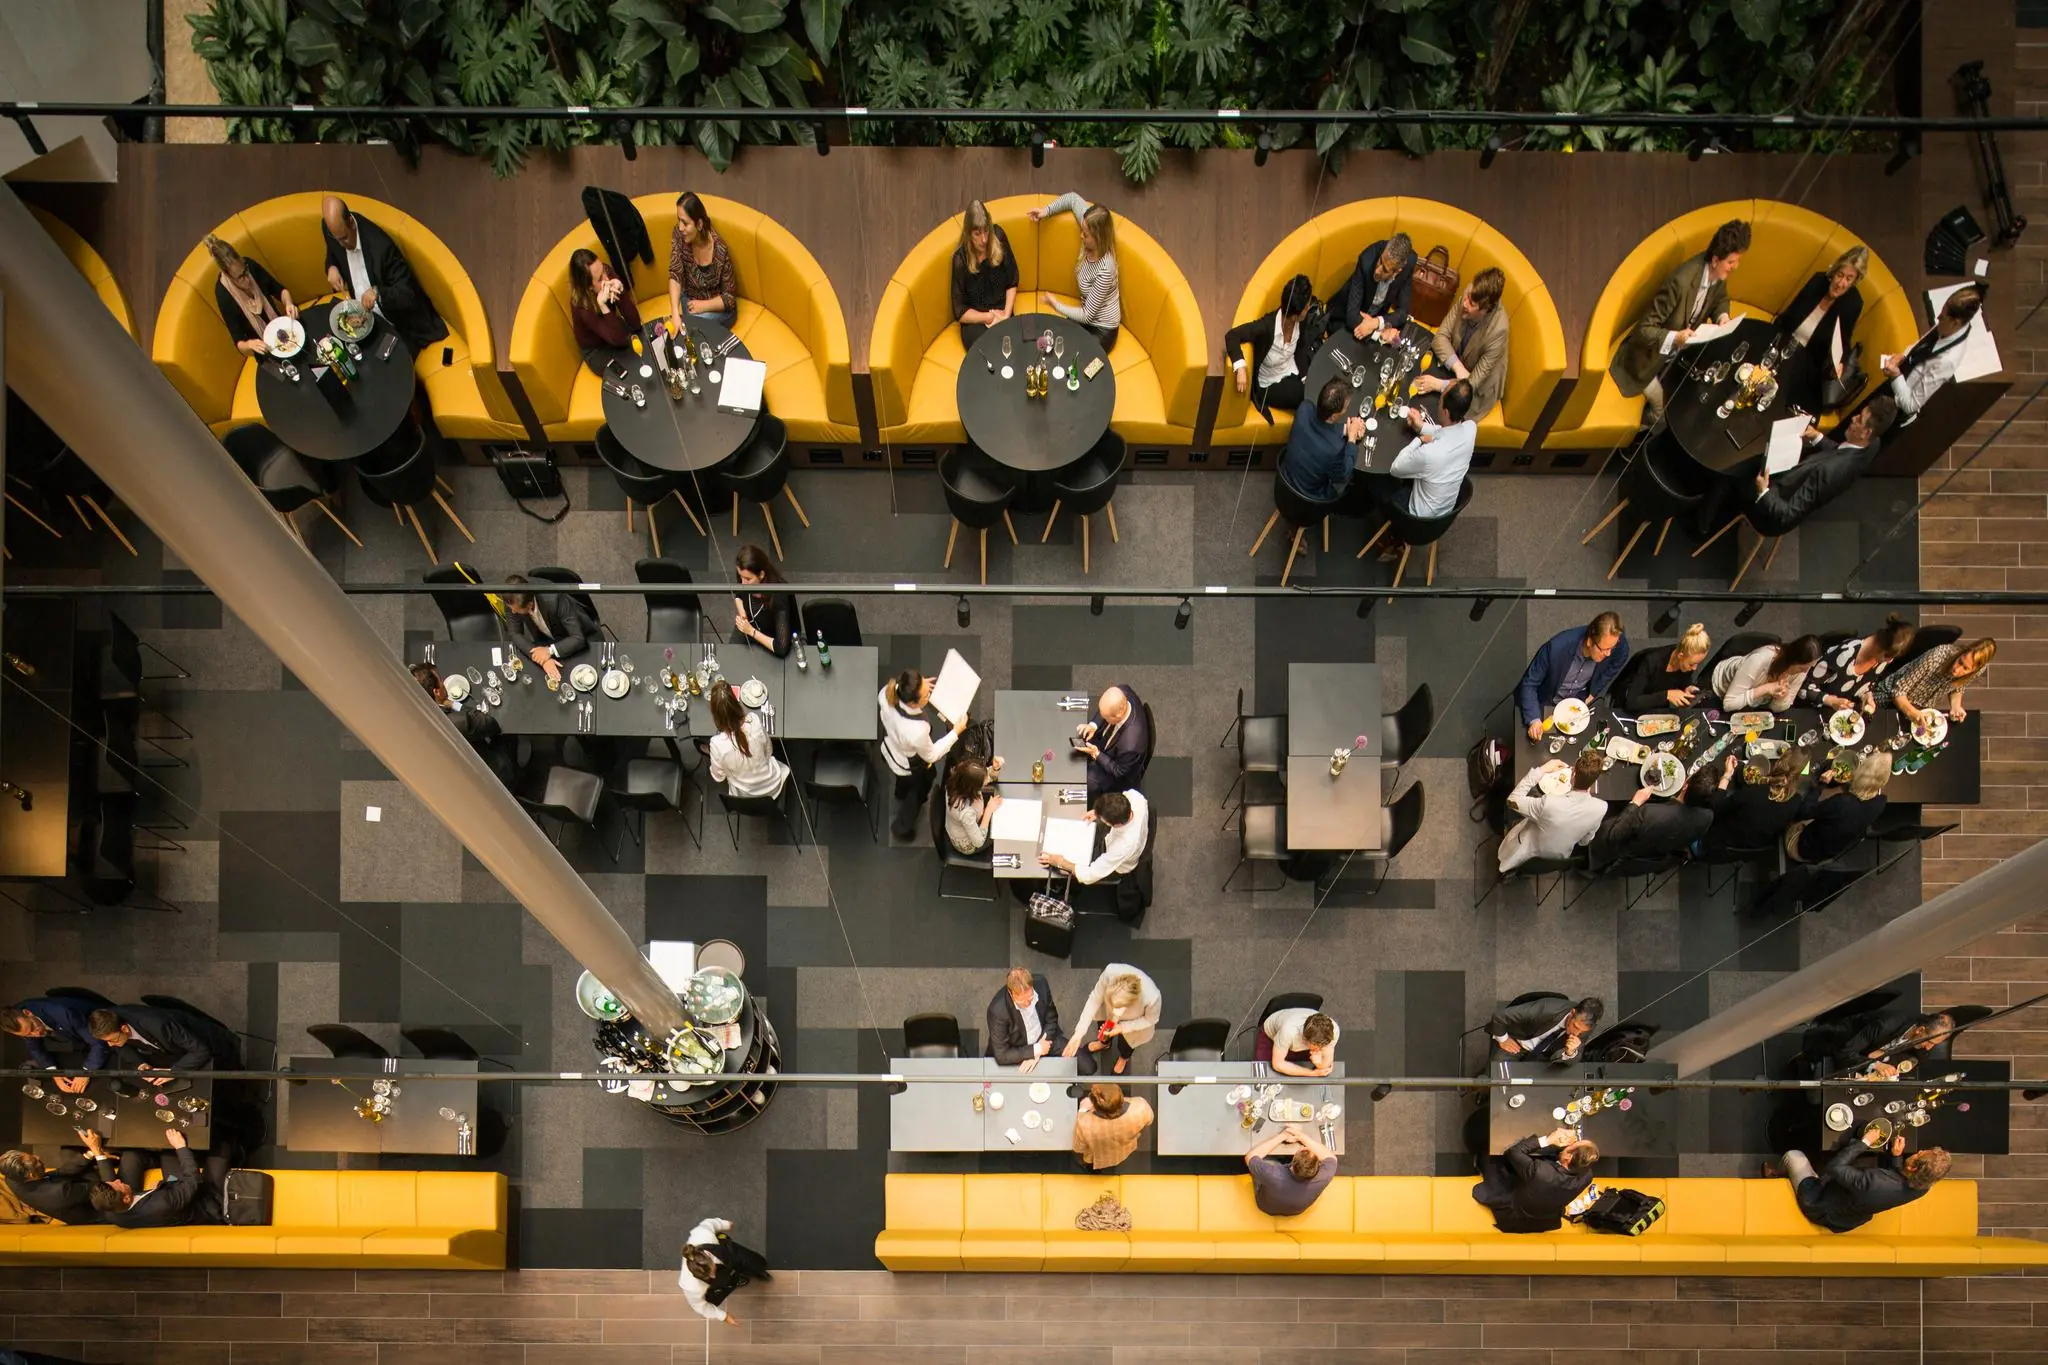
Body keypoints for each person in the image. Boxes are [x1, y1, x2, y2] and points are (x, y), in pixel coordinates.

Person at [1613, 218, 1750, 425]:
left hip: (1677, 357)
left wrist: (1723, 317)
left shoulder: (1716, 275)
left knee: (1691, 398)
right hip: (1645, 361)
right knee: (1663, 416)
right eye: (1731, 262)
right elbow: (1643, 331)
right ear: (1715, 260)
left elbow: (1720, 298)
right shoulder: (1680, 282)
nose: (1736, 267)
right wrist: (1675, 337)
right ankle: (1643, 433)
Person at [1746, 398, 1898, 537]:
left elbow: (1788, 515)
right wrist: (1818, 437)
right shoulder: (1873, 444)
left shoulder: (1830, 472)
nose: (1853, 418)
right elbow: (1842, 451)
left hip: (1769, 514)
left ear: (1866, 433)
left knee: (1739, 476)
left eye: (1859, 419)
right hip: (1792, 481)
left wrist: (1763, 492)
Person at [321, 196, 447, 352]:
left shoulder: (381, 248)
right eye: (337, 239)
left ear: (351, 223)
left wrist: (378, 293)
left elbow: (408, 294)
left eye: (344, 238)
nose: (341, 245)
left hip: (395, 323)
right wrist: (331, 266)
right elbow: (332, 251)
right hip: (361, 319)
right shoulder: (332, 231)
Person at [1777, 1130, 1949, 1233]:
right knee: (1850, 1164)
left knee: (1794, 1155)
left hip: (1819, 1204)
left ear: (1913, 1168)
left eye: (1919, 1155)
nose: (1917, 1151)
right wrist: (1896, 1157)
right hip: (1849, 1218)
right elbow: (1901, 1179)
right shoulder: (1923, 1187)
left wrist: (1865, 1141)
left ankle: (1777, 1173)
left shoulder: (1873, 1182)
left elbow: (1834, 1167)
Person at [1773, 245, 1867, 413]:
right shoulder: (1817, 281)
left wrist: (1840, 363)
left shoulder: (1853, 304)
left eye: (1849, 279)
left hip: (1806, 365)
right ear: (1834, 272)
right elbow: (1789, 314)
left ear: (1855, 281)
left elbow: (1844, 339)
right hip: (1783, 346)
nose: (1841, 283)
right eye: (1840, 275)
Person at [1367, 378, 1476, 521]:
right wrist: (1421, 427)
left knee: (1375, 481)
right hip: (1446, 509)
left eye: (1441, 399)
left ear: (1446, 412)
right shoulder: (1471, 428)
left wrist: (1419, 440)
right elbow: (1445, 433)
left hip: (1418, 519)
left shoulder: (1430, 454)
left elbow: (1396, 468)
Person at [879, 669, 967, 839]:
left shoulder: (886, 693)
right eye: (926, 695)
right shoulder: (916, 730)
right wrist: (956, 732)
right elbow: (932, 755)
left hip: (891, 749)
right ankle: (902, 827)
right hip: (909, 765)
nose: (930, 694)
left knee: (903, 784)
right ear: (913, 703)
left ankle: (900, 792)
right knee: (917, 793)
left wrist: (919, 685)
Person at [1414, 267, 1509, 424]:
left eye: (1471, 303)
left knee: (1437, 417)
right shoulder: (1470, 293)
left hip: (1477, 390)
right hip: (1458, 367)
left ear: (1486, 310)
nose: (1464, 303)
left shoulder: (1499, 331)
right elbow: (1440, 338)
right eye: (1466, 298)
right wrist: (1458, 367)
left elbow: (1471, 384)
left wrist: (1439, 385)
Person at [1515, 613, 1630, 739]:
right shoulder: (1556, 648)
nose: (1608, 654)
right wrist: (1534, 720)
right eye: (1604, 649)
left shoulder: (1615, 643)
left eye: (1611, 648)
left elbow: (1621, 656)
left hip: (1578, 700)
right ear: (1589, 641)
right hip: (1548, 700)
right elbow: (1530, 684)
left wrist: (1594, 690)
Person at [1028, 192, 1120, 347]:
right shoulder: (1088, 226)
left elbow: (1087, 316)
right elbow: (1072, 198)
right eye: (1081, 230)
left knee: (1076, 359)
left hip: (1103, 328)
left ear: (1099, 237)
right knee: (1052, 341)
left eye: (1086, 234)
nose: (1081, 236)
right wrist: (1046, 211)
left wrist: (1055, 304)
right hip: (1084, 316)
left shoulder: (1105, 269)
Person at [1225, 274, 1316, 422]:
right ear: (1295, 315)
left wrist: (1305, 376)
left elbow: (1300, 349)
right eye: (1306, 308)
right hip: (1269, 383)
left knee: (1318, 384)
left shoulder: (1301, 322)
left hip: (1291, 369)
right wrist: (1240, 367)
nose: (1309, 308)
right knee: (1308, 396)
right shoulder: (1266, 327)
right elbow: (1232, 336)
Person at [1471, 1128, 1601, 1233]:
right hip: (1545, 1221)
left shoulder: (1541, 1172)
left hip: (1516, 1217)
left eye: (1572, 1145)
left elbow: (1514, 1152)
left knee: (1490, 1153)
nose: (1570, 1144)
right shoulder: (1587, 1177)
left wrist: (1548, 1140)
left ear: (1568, 1157)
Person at [1498, 750, 1607, 873]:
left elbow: (1512, 801)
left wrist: (1542, 770)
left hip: (1527, 855)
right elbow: (1584, 842)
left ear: (1574, 775)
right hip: (1557, 861)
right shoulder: (1601, 807)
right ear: (1593, 782)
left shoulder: (1548, 803)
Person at [1883, 286, 1982, 420]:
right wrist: (1905, 355)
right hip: (1894, 383)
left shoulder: (1948, 360)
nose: (1938, 317)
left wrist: (1896, 376)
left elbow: (1911, 405)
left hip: (1894, 410)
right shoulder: (1947, 326)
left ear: (1955, 323)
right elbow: (1921, 344)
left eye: (1943, 317)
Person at [1587, 768, 1716, 871]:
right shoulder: (1708, 818)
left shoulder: (1650, 813)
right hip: (1653, 858)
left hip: (1623, 851)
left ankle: (1590, 862)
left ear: (1685, 786)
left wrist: (1635, 803)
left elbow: (1614, 835)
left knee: (1604, 813)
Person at [90, 1128, 221, 1228]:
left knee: (167, 1153)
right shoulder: (162, 1203)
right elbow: (192, 1180)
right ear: (126, 1198)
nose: (118, 1180)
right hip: (200, 1197)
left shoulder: (112, 1212)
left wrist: (97, 1152)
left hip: (170, 1187)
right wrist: (180, 1147)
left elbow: (111, 1187)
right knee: (219, 1147)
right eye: (118, 1184)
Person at [411, 664, 515, 787]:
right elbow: (491, 723)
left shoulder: (415, 718)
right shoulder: (459, 722)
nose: (444, 682)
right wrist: (453, 704)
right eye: (441, 681)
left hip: (453, 773)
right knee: (510, 735)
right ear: (437, 692)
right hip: (492, 774)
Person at [1785, 750, 1891, 864]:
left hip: (1802, 849)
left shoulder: (1843, 803)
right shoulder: (1881, 802)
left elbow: (1802, 813)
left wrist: (1820, 785)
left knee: (1792, 808)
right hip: (1832, 852)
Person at [1699, 750, 1811, 857]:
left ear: (1778, 763)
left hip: (1718, 841)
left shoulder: (1755, 792)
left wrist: (1727, 775)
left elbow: (1714, 809)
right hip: (1749, 849)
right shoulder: (1797, 801)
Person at [1796, 615, 1916, 712]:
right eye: (1888, 656)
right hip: (1817, 709)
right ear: (1879, 644)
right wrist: (1831, 701)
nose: (1889, 661)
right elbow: (1804, 688)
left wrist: (1867, 696)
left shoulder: (1882, 659)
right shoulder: (1844, 656)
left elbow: (1866, 685)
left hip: (1844, 711)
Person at [1063, 963, 1162, 1077]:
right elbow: (1095, 999)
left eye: (1119, 1008)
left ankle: (1123, 1058)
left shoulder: (1152, 998)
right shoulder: (1110, 973)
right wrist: (1079, 1033)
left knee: (1127, 1044)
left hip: (1134, 1023)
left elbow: (1150, 1020)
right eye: (1111, 1003)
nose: (1115, 1012)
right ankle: (1104, 1044)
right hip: (1107, 1013)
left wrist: (1122, 1027)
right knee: (1104, 1029)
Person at [1279, 377, 1368, 502]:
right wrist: (1352, 438)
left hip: (1283, 484)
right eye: (1346, 407)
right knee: (1347, 482)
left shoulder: (1304, 408)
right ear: (1334, 415)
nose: (1347, 409)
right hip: (1308, 503)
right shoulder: (1336, 449)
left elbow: (1322, 428)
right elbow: (1343, 475)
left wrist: (1345, 429)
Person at [206, 235, 298, 357]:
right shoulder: (223, 294)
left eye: (245, 271)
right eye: (240, 277)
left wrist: (288, 303)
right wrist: (249, 344)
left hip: (283, 330)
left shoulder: (250, 266)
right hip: (263, 350)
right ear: (228, 276)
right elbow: (238, 341)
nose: (247, 279)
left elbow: (280, 290)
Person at [1875, 636, 1995, 727]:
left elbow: (1958, 686)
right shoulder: (1936, 657)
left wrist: (1956, 706)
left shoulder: (1978, 670)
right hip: (1890, 697)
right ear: (1961, 653)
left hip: (1923, 706)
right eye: (1960, 662)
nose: (1957, 669)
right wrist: (1912, 713)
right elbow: (1897, 692)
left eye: (1965, 669)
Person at [87, 1005, 234, 1079]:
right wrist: (140, 1064)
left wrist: (173, 1072)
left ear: (124, 1029)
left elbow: (201, 1050)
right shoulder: (111, 1020)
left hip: (207, 1040)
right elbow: (120, 1046)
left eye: (112, 1040)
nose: (110, 1045)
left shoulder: (159, 1026)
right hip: (173, 1049)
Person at [1039, 788, 1149, 887]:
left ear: (1114, 824)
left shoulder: (1123, 846)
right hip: (1111, 838)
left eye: (1103, 819)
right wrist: (1097, 812)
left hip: (1117, 866)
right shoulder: (1135, 797)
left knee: (1063, 868)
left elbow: (1089, 875)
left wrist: (1060, 861)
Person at [502, 575, 601, 684]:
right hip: (547, 637)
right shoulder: (511, 598)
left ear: (530, 605)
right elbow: (515, 633)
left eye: (516, 611)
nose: (513, 613)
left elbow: (578, 638)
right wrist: (542, 658)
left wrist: (549, 651)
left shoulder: (554, 599)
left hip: (578, 636)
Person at [678, 1215, 772, 1325]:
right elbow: (700, 1307)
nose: (713, 1276)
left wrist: (724, 1224)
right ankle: (737, 1280)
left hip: (729, 1254)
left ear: (708, 1256)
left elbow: (709, 1223)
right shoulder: (690, 1287)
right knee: (726, 1282)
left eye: (712, 1271)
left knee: (757, 1262)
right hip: (723, 1279)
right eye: (708, 1277)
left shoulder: (702, 1235)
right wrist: (724, 1316)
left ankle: (758, 1270)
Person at [2, 997, 110, 1090]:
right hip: (73, 1035)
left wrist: (86, 1072)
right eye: (27, 1035)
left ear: (28, 1013)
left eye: (32, 1028)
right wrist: (53, 1073)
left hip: (102, 1022)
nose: (36, 1034)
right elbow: (35, 1049)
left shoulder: (63, 1014)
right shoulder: (18, 1016)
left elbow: (98, 1042)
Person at [706, 679, 789, 800]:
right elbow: (769, 751)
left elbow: (718, 777)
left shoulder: (716, 744)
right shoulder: (754, 720)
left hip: (745, 796)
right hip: (772, 787)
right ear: (737, 705)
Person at [667, 192, 738, 330]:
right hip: (690, 299)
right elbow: (675, 272)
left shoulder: (720, 251)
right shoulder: (679, 234)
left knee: (691, 326)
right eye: (679, 220)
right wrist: (675, 312)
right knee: (684, 324)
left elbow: (729, 299)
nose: (680, 227)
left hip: (716, 308)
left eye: (685, 223)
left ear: (699, 224)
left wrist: (702, 306)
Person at [1327, 233, 1416, 344]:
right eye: (1380, 261)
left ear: (1397, 271)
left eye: (1385, 269)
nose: (1377, 270)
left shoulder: (1409, 263)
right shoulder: (1366, 260)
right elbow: (1351, 316)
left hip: (1374, 323)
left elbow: (1403, 313)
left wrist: (1376, 322)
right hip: (1345, 320)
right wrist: (1380, 335)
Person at [1, 1139, 113, 1224]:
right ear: (32, 1175)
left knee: (68, 1149)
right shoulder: (59, 1193)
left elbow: (59, 1173)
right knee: (130, 1155)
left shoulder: (12, 1178)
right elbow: (107, 1186)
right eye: (35, 1161)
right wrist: (99, 1155)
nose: (37, 1156)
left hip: (71, 1188)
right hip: (106, 1203)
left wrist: (90, 1154)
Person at [951, 199, 1018, 344]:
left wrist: (1006, 314)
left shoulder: (998, 236)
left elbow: (1012, 280)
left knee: (1012, 347)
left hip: (1001, 310)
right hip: (976, 320)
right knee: (987, 352)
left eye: (986, 230)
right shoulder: (960, 260)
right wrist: (987, 317)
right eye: (977, 234)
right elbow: (960, 311)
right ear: (968, 234)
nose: (984, 239)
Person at [1244, 1123, 1338, 1217]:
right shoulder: (1324, 1175)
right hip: (1296, 1212)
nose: (1306, 1147)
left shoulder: (1272, 1174)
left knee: (1268, 1161)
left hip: (1266, 1206)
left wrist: (1283, 1135)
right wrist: (1301, 1136)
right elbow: (1330, 1157)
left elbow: (1250, 1157)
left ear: (1293, 1161)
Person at [1713, 635, 1822, 714]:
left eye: (1810, 666)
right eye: (1803, 667)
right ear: (1793, 660)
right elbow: (1729, 704)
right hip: (1720, 689)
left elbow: (1777, 708)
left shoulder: (1801, 671)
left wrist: (1782, 697)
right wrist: (1766, 688)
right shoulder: (1758, 660)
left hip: (1752, 703)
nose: (1805, 672)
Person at [1075, 684, 1150, 798]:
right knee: (1082, 738)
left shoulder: (1131, 745)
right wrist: (1093, 725)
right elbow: (1104, 712)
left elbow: (1119, 771)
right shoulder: (1123, 691)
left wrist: (1096, 754)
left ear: (1119, 714)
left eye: (1106, 718)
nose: (1103, 718)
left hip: (1118, 772)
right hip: (1108, 742)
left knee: (1088, 781)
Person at [986, 967, 1065, 1072]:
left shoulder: (1041, 983)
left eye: (1030, 998)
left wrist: (1043, 1043)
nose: (1027, 1004)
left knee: (1087, 1066)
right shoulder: (997, 1010)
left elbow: (1052, 1018)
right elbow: (1002, 1055)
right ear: (1010, 993)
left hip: (1045, 1039)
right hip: (1017, 1051)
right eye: (1021, 1001)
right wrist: (1036, 1050)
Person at [1619, 622, 1711, 712]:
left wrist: (1687, 687)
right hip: (1638, 709)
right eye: (1692, 664)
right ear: (1680, 655)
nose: (1695, 668)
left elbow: (1682, 680)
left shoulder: (1686, 662)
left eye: (1697, 663)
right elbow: (1631, 702)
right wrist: (1666, 695)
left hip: (1659, 709)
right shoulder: (1651, 662)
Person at [568, 246, 641, 359]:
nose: (607, 279)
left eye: (603, 270)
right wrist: (603, 306)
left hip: (611, 327)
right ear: (589, 287)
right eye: (599, 279)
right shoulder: (581, 306)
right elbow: (619, 340)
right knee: (630, 359)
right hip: (597, 349)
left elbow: (636, 323)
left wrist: (621, 291)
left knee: (640, 340)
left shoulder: (606, 273)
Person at [1488, 995, 1603, 1064]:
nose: (1576, 1033)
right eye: (1575, 1027)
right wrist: (1503, 1040)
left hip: (1543, 1056)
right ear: (1572, 1013)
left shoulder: (1586, 1027)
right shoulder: (1546, 1009)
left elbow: (1574, 1059)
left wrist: (1570, 1053)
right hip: (1517, 1042)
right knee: (1497, 1078)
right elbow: (1500, 1016)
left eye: (1581, 1031)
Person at [731, 544, 794, 658]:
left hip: (769, 636)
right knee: (732, 657)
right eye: (741, 577)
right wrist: (742, 612)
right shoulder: (744, 575)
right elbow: (738, 595)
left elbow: (781, 648)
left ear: (761, 575)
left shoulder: (779, 595)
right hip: (749, 625)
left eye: (748, 579)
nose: (742, 583)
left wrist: (751, 632)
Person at [1072, 1082, 1153, 1171]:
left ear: (1095, 1105)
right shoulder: (1140, 1108)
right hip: (1124, 1151)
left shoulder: (1085, 1124)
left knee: (1090, 1167)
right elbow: (1149, 1120)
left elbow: (1078, 1147)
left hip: (1099, 1157)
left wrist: (1082, 1110)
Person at [944, 757, 1003, 855]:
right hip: (968, 845)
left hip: (969, 822)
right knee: (1001, 826)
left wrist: (994, 769)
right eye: (983, 783)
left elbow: (982, 776)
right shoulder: (965, 812)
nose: (987, 780)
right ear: (973, 788)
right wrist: (988, 811)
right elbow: (978, 842)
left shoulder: (958, 780)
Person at [1259, 1006, 1339, 1077]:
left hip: (1296, 1043)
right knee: (1261, 1075)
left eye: (1323, 1045)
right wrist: (1312, 1073)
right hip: (1271, 1036)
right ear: (1306, 1040)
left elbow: (1325, 1067)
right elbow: (1277, 1064)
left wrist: (1319, 1064)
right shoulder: (1289, 1031)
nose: (1321, 1049)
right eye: (1317, 1045)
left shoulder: (1333, 1031)